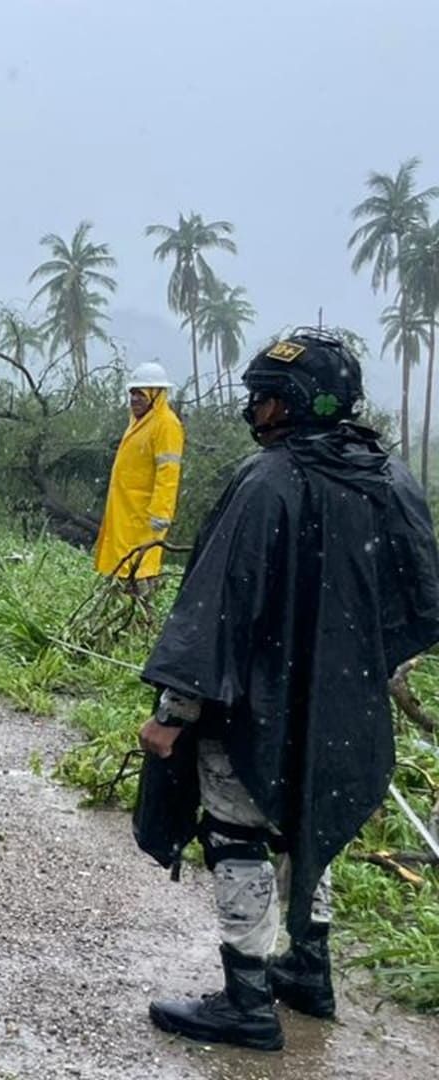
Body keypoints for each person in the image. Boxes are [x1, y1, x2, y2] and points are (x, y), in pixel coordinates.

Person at [134, 330, 439, 1051]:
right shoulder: (391, 479)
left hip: (256, 704)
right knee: (310, 826)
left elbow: (217, 607)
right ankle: (307, 970)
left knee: (239, 834)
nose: (256, 410)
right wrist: (358, 668)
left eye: (264, 397)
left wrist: (173, 714)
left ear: (291, 403)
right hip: (343, 710)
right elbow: (419, 602)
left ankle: (245, 1001)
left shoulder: (265, 481)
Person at [91, 362, 184, 591]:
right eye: (132, 393)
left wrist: (161, 513)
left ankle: (141, 619)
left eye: (140, 394)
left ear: (156, 395)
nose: (134, 399)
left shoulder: (167, 425)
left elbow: (168, 473)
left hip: (144, 515)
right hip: (125, 510)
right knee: (121, 567)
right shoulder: (139, 421)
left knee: (139, 570)